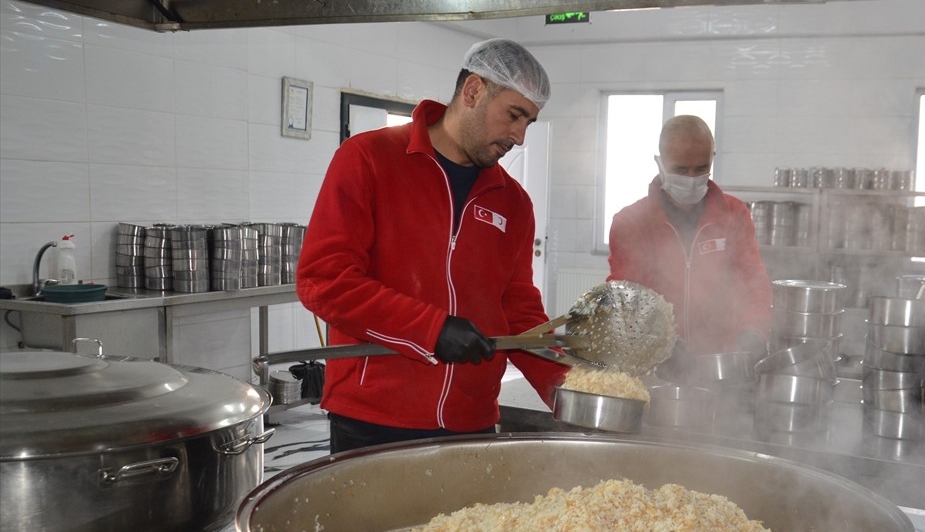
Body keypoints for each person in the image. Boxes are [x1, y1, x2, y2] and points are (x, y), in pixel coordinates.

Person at [297, 38, 566, 453]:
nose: (519, 136)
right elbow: (324, 279)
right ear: (473, 91)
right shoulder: (370, 159)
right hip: (375, 417)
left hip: (470, 421)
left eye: (529, 122)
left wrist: (571, 389)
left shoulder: (513, 202)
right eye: (515, 115)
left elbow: (518, 309)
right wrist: (431, 330)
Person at [607, 115, 773, 381]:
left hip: (721, 369)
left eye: (701, 168)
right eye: (681, 170)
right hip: (655, 370)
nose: (692, 178)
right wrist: (662, 343)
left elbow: (753, 282)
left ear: (713, 158)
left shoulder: (734, 214)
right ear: (660, 164)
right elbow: (627, 298)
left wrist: (754, 331)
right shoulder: (631, 222)